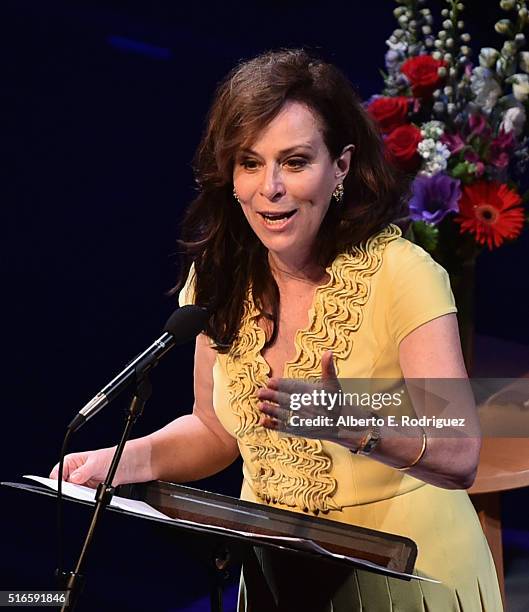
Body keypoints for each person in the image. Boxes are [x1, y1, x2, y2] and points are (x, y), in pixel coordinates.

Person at [51, 49, 503, 611]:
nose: (271, 188)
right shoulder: (216, 277)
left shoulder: (402, 273)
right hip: (277, 576)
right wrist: (122, 460)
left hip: (409, 575)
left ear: (340, 166)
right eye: (250, 162)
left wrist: (349, 421)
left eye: (294, 161)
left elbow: (460, 452)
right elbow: (215, 430)